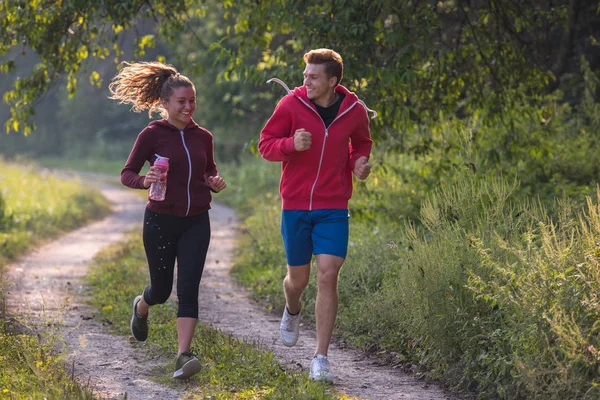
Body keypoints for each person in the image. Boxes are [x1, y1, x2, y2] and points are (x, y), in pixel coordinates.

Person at [258, 48, 376, 382]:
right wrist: (291, 145)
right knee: (298, 281)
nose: (305, 81)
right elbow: (265, 145)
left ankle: (320, 357)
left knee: (327, 274)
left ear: (332, 81)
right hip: (295, 205)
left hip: (333, 206)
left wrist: (359, 164)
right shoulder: (290, 105)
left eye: (313, 77)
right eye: (305, 75)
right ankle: (292, 308)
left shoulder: (354, 110)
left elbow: (361, 144)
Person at [109, 61, 226, 380]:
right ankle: (141, 306)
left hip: (196, 221)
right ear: (165, 104)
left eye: (192, 101)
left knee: (188, 288)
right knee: (161, 291)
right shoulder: (152, 134)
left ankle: (183, 355)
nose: (189, 106)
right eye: (182, 102)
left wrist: (213, 180)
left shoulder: (203, 136)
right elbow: (127, 173)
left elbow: (208, 169)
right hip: (160, 221)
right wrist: (145, 181)